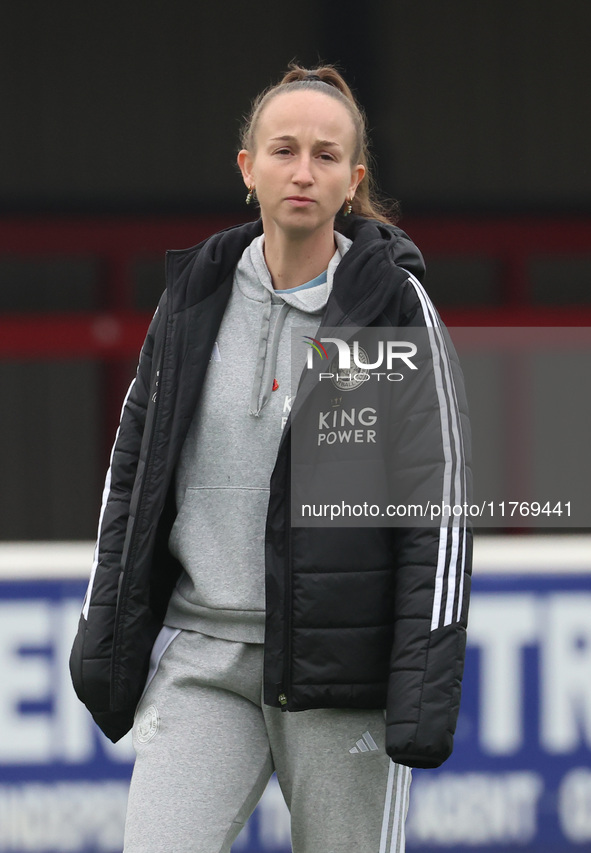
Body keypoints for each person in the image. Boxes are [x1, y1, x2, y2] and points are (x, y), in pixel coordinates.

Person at [70, 63, 472, 853]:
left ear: (351, 180)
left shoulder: (385, 306)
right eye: (282, 149)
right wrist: (105, 635)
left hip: (337, 676)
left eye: (326, 155)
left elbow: (436, 500)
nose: (302, 170)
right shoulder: (194, 296)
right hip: (204, 658)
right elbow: (132, 475)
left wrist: (420, 686)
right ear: (247, 168)